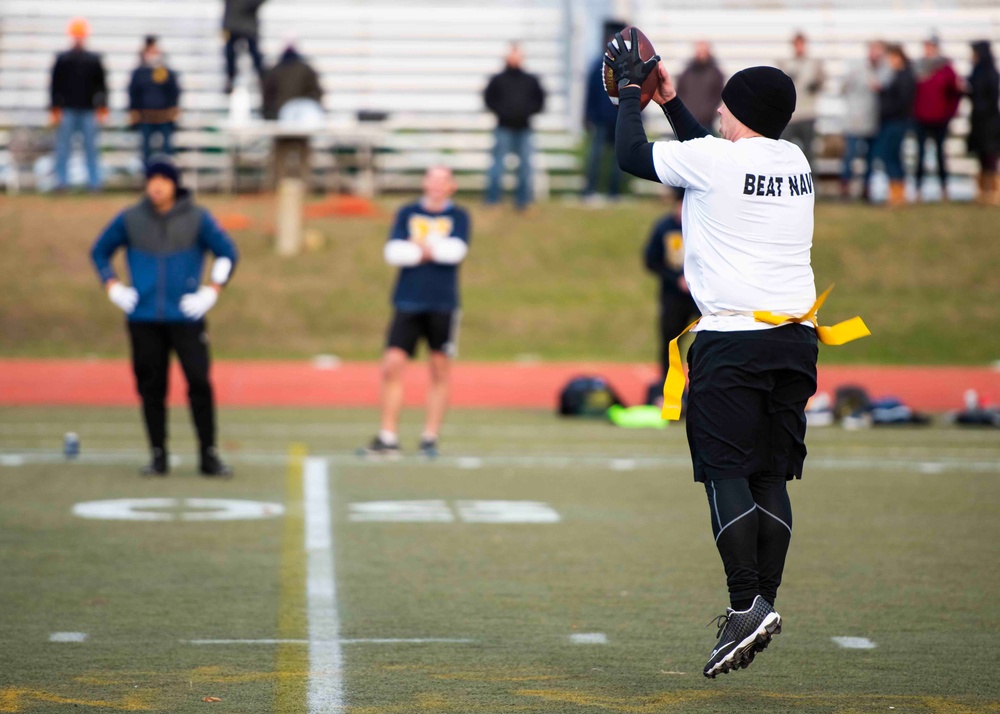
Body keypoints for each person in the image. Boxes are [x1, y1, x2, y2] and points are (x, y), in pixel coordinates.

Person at [606, 29, 867, 678]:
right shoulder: (796, 161)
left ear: (742, 112)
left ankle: (743, 603)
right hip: (794, 340)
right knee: (769, 474)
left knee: (724, 470)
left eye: (725, 105)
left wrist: (633, 95)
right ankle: (764, 605)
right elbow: (714, 153)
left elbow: (630, 158)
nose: (717, 112)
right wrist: (670, 104)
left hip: (732, 341)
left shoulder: (717, 161)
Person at [90, 156, 239, 478]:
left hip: (186, 317)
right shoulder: (130, 219)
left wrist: (212, 290)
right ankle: (158, 454)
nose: (156, 186)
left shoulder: (198, 218)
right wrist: (112, 285)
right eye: (151, 179)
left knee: (199, 382)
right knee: (151, 387)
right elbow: (100, 251)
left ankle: (208, 454)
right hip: (143, 318)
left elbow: (227, 252)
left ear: (175, 183)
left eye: (163, 179)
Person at [361, 166, 470, 459]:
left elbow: (456, 252)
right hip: (407, 301)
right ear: (424, 183)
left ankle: (429, 437)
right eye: (431, 179)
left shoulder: (459, 216)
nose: (435, 185)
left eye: (442, 180)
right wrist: (434, 250)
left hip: (443, 303)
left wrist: (418, 248)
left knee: (439, 368)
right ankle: (388, 436)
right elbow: (394, 253)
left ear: (451, 186)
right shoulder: (407, 212)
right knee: (392, 365)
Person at [643, 187, 698, 384]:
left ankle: (703, 387)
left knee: (707, 342)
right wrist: (676, 279)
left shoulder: (703, 227)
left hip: (700, 297)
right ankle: (670, 391)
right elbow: (651, 260)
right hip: (673, 297)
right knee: (670, 344)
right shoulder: (664, 227)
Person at [483, 43, 546, 210]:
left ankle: (523, 201)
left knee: (525, 166)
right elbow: (489, 100)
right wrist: (504, 112)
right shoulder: (498, 80)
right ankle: (492, 200)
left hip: (524, 128)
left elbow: (540, 101)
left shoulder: (530, 80)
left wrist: (525, 112)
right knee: (497, 165)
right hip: (503, 127)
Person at [49, 18, 107, 192]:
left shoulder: (94, 59)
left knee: (91, 148)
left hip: (88, 110)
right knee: (63, 148)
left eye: (81, 35)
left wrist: (103, 107)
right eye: (76, 35)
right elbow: (55, 85)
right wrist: (55, 108)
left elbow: (102, 86)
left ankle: (94, 183)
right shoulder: (63, 59)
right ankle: (61, 182)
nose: (78, 39)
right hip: (68, 110)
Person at [913, 36, 962, 201]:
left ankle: (944, 189)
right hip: (920, 118)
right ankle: (918, 189)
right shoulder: (917, 67)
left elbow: (955, 93)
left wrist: (950, 114)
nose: (928, 49)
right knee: (919, 154)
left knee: (940, 154)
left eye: (931, 46)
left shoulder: (946, 68)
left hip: (940, 119)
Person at [582, 22, 626, 203]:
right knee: (596, 156)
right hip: (600, 119)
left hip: (618, 118)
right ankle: (590, 191)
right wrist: (587, 115)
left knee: (619, 158)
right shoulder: (597, 65)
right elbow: (590, 93)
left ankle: (614, 193)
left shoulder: (626, 66)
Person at [840, 40, 888, 200]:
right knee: (850, 156)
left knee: (870, 158)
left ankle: (866, 189)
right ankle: (845, 187)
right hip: (855, 121)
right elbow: (844, 88)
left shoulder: (885, 70)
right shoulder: (857, 68)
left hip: (873, 122)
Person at [128, 36, 182, 166]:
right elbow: (133, 92)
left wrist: (173, 108)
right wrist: (133, 111)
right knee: (145, 149)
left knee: (167, 149)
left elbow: (174, 91)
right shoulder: (139, 72)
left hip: (164, 116)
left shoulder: (166, 72)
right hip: (146, 116)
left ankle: (168, 173)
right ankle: (146, 174)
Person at [876, 44, 916, 207]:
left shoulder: (904, 76)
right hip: (894, 121)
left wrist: (884, 97)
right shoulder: (899, 75)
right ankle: (896, 193)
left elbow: (901, 101)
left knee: (890, 156)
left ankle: (897, 194)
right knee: (892, 156)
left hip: (896, 122)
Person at [778, 32, 825, 168]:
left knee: (809, 153)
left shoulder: (814, 64)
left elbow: (821, 83)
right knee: (784, 152)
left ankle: (810, 184)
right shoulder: (786, 64)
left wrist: (817, 83)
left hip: (808, 114)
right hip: (790, 116)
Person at [965, 41, 1000, 205]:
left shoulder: (991, 73)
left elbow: (991, 97)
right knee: (980, 155)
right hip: (978, 120)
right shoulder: (976, 71)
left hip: (989, 120)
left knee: (990, 155)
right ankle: (982, 191)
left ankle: (994, 192)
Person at [675, 41, 725, 131]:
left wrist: (709, 114)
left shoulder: (716, 74)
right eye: (699, 52)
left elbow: (718, 96)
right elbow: (679, 93)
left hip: (706, 123)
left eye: (703, 52)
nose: (701, 55)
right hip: (686, 121)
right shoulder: (686, 73)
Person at [223, 0, 267, 94]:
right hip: (232, 22)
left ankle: (263, 79)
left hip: (248, 22)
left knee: (255, 53)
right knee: (229, 54)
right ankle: (230, 79)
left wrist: (249, 4)